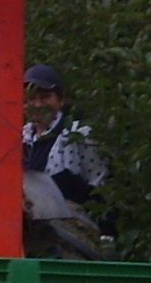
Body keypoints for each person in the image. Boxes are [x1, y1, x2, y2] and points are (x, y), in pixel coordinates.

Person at [22, 64, 107, 207]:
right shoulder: (20, 138)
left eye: (45, 97)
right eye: (31, 98)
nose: (37, 105)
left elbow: (100, 188)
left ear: (61, 100)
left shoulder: (78, 135)